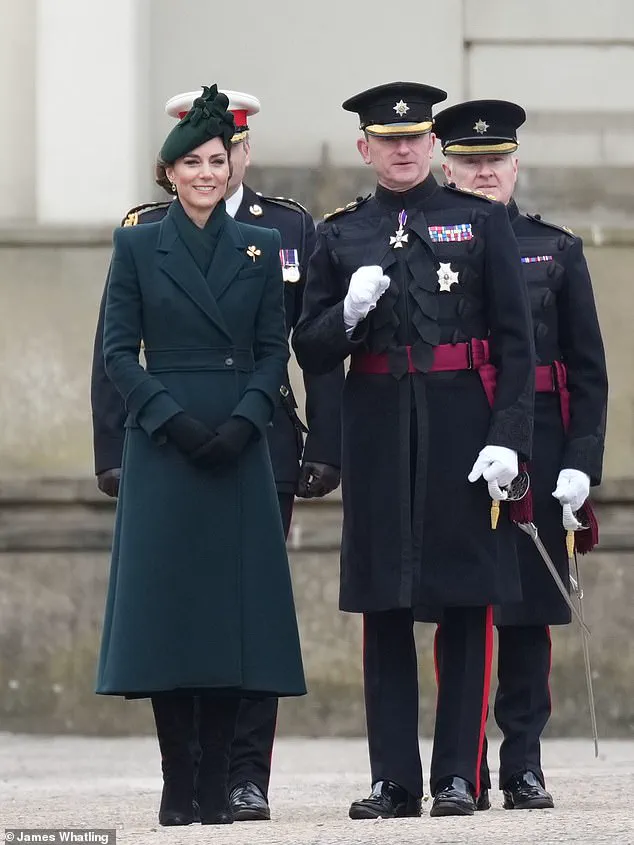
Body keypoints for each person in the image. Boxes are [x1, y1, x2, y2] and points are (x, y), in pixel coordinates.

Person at [90, 88, 343, 822]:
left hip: (243, 439)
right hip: (166, 442)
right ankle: (181, 779)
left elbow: (281, 350)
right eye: (191, 161)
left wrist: (246, 424)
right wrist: (162, 422)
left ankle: (233, 781)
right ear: (167, 171)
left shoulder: (269, 242)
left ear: (235, 162)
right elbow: (113, 351)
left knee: (238, 613)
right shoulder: (137, 240)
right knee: (172, 609)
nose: (207, 171)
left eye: (216, 159)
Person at [292, 81, 535, 818]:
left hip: (463, 426)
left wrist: (509, 442)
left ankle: (458, 772)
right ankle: (393, 777)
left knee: (465, 603)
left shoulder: (480, 222)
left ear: (432, 145)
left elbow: (518, 345)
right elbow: (309, 346)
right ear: (366, 149)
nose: (402, 150)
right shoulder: (339, 235)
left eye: (414, 138)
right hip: (377, 428)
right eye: (386, 140)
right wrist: (349, 311)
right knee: (384, 607)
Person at [433, 99, 608, 810]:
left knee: (530, 613)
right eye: (468, 162)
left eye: (493, 160)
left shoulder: (555, 249)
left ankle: (524, 762)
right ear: (446, 165)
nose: (482, 172)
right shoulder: (425, 244)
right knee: (461, 607)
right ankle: (460, 766)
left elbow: (588, 368)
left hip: (537, 437)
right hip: (456, 442)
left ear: (515, 165)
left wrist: (582, 459)